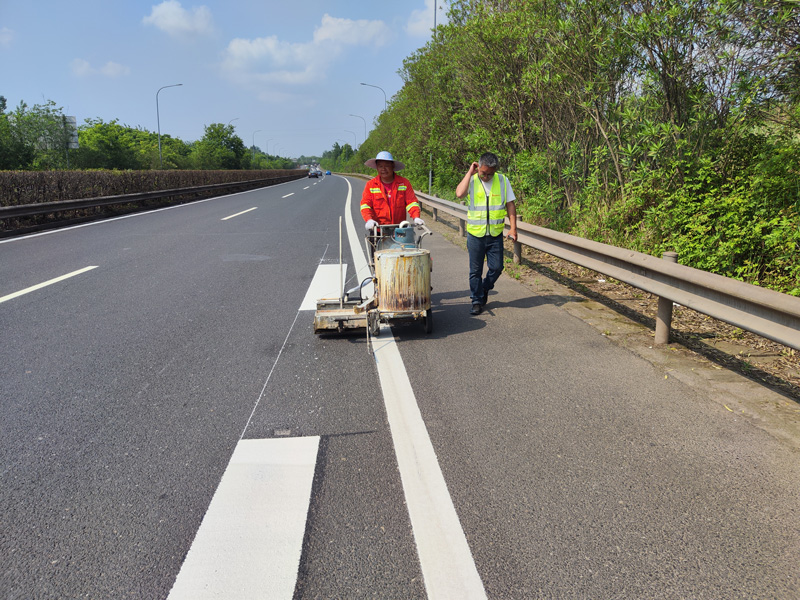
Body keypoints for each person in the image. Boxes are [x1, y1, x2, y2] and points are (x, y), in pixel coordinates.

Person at [455, 152, 518, 315]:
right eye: (483, 173)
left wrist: (513, 228)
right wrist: (470, 173)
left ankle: (483, 288)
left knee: (497, 268)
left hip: (495, 234)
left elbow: (510, 204)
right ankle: (476, 300)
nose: (486, 176)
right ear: (478, 167)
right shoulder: (473, 179)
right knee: (475, 271)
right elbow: (459, 194)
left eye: (490, 173)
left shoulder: (503, 180)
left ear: (496, 170)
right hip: (475, 234)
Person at [361, 150, 425, 230]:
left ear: (393, 166)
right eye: (380, 166)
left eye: (387, 166)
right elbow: (365, 205)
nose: (383, 169)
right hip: (378, 231)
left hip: (400, 230)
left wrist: (416, 217)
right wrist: (369, 220)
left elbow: (411, 203)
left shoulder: (404, 183)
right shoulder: (371, 185)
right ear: (377, 168)